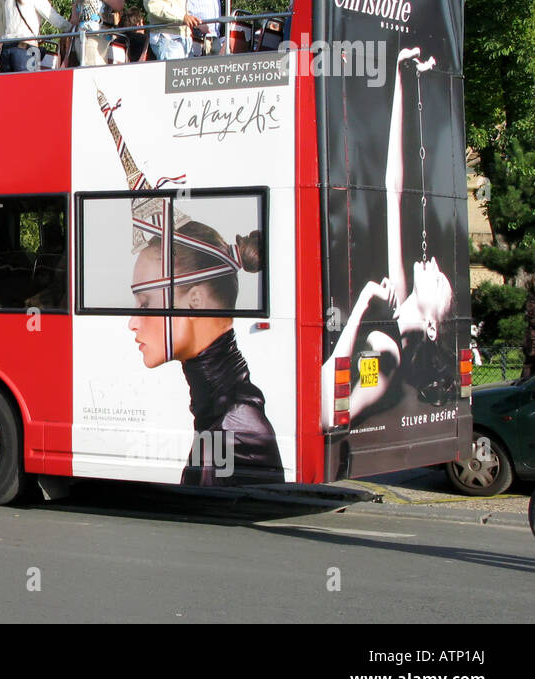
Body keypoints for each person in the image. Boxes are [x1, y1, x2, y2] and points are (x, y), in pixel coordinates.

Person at [321, 47, 457, 427]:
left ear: (432, 327)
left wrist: (364, 302)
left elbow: (329, 411)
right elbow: (392, 186)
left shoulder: (387, 354)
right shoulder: (397, 300)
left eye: (441, 281)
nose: (434, 267)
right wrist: (399, 77)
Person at [127, 221, 283, 485]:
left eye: (145, 303)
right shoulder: (223, 414)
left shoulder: (232, 429)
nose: (132, 321)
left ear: (195, 300)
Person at [2, 0, 68, 73]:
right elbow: (54, 18)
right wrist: (71, 27)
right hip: (27, 48)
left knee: (9, 88)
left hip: (7, 47)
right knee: (28, 87)